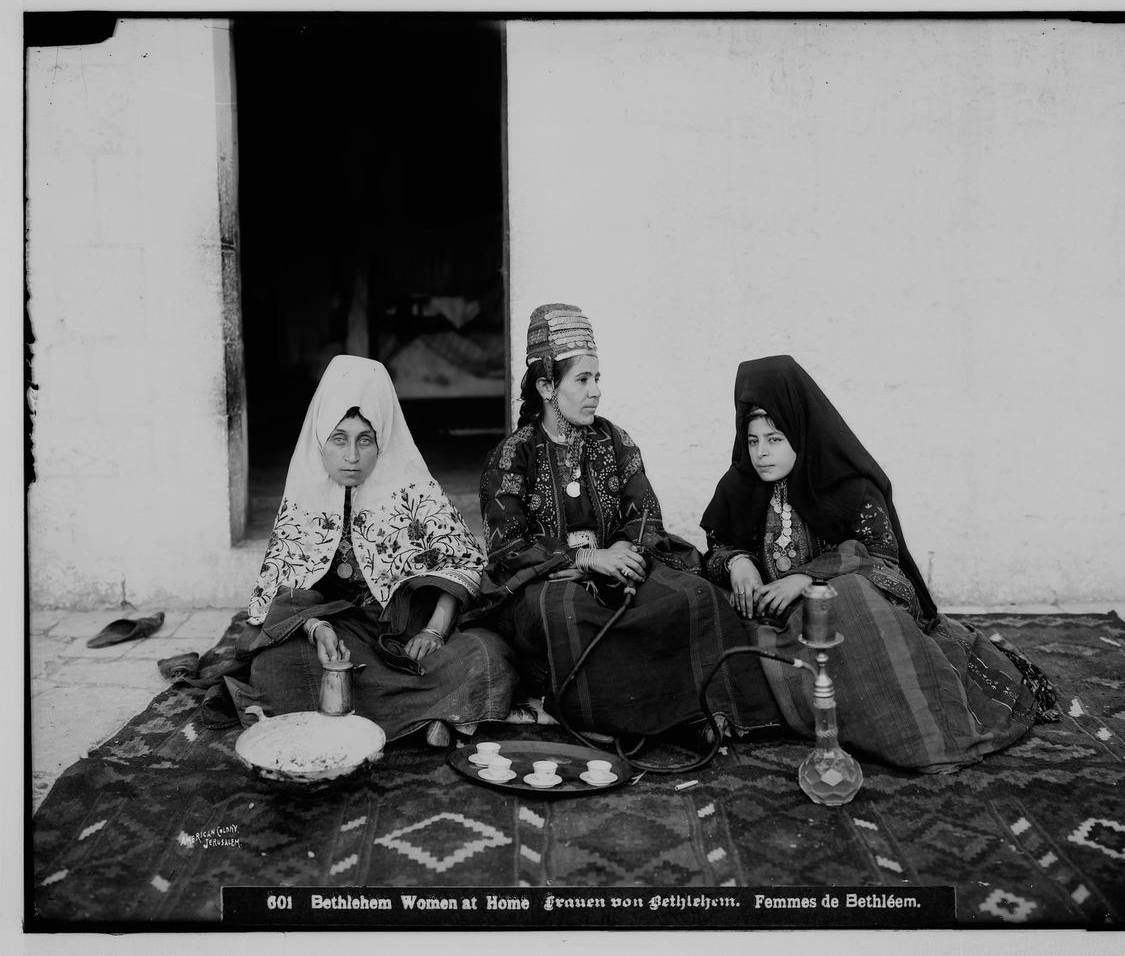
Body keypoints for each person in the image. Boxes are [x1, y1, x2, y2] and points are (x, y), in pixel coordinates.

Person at [700, 355, 1059, 773]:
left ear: (799, 430)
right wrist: (737, 563)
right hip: (770, 619)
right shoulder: (739, 485)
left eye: (774, 439)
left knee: (850, 598)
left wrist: (806, 578)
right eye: (752, 441)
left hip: (837, 614)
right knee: (702, 603)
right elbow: (717, 547)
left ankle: (922, 738)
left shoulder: (848, 484)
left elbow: (882, 558)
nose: (761, 453)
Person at [469, 305, 780, 739]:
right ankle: (599, 717)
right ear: (546, 386)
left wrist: (621, 551)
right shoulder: (512, 456)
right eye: (582, 380)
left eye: (597, 378)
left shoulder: (614, 440)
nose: (596, 391)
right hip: (549, 582)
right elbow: (508, 547)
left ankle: (711, 711)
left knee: (693, 595)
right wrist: (586, 559)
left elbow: (644, 514)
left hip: (620, 565)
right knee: (566, 613)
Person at [230, 355, 518, 747]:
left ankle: (377, 714)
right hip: (340, 633)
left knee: (486, 654)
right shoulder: (303, 497)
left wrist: (434, 630)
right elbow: (278, 591)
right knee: (273, 667)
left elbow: (465, 565)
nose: (352, 456)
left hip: (409, 633)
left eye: (365, 440)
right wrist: (316, 628)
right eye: (339, 439)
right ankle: (430, 715)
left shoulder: (417, 491)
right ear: (319, 438)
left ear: (382, 437)